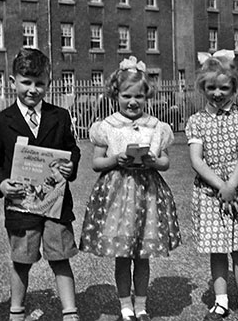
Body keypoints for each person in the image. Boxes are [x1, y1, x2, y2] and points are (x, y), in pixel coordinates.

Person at [0, 48, 81, 321]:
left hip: (55, 204)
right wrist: (1, 185)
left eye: (40, 83)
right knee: (21, 260)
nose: (33, 90)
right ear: (12, 82)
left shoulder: (59, 116)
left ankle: (70, 312)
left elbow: (72, 149)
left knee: (60, 257)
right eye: (26, 82)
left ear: (48, 83)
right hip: (21, 206)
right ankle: (17, 311)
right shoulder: (1, 122)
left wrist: (71, 165)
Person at [79, 56, 182, 321]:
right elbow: (96, 163)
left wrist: (154, 161)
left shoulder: (156, 127)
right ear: (116, 95)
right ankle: (125, 305)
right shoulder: (108, 126)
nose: (132, 102)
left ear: (147, 96)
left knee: (143, 254)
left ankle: (142, 304)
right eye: (126, 96)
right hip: (117, 194)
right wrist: (115, 159)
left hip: (147, 194)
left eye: (138, 96)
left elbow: (166, 162)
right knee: (123, 254)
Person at [185, 50, 238, 321]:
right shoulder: (196, 121)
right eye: (211, 87)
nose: (217, 93)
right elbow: (197, 161)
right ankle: (219, 301)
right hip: (209, 190)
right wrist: (220, 186)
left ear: (235, 87)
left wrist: (231, 185)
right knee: (216, 248)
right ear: (202, 87)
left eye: (224, 87)